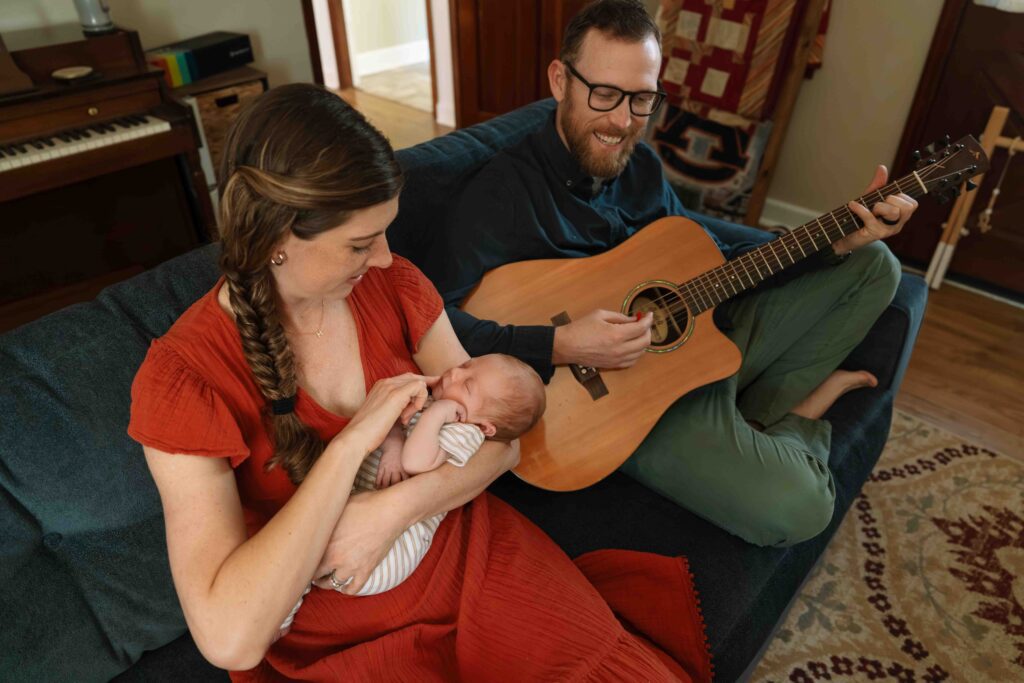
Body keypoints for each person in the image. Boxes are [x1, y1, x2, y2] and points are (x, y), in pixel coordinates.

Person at [128, 83, 711, 681]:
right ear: (277, 235)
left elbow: (501, 442)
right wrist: (353, 443)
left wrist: (389, 513)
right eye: (360, 243)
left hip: (470, 551)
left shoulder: (396, 285)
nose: (383, 258)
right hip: (341, 623)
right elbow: (230, 639)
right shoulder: (183, 379)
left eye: (386, 233)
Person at [421, 0, 916, 548]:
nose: (622, 120)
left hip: (692, 349)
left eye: (642, 99)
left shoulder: (643, 169)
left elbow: (705, 260)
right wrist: (561, 343)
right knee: (799, 507)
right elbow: (428, 321)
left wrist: (834, 240)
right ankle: (793, 417)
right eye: (604, 93)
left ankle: (743, 413)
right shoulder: (499, 196)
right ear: (560, 80)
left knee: (873, 265)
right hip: (615, 410)